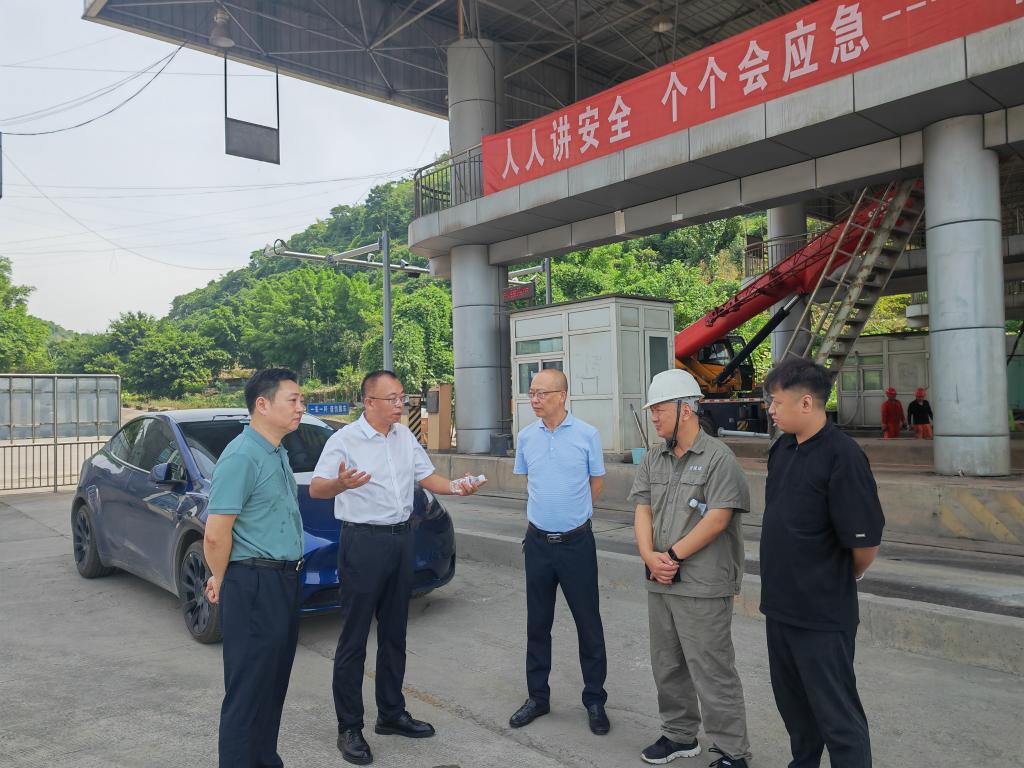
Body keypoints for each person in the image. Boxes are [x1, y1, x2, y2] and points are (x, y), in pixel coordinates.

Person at [310, 370, 484, 766]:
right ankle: (349, 727)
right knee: (354, 637)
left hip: (402, 539)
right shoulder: (344, 440)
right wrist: (341, 485)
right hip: (363, 542)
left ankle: (391, 713)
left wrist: (457, 486)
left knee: (395, 632)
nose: (399, 404)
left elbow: (428, 477)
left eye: (401, 397)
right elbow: (319, 487)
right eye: (391, 398)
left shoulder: (405, 437)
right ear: (369, 401)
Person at [761, 358, 885, 768]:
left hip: (822, 615)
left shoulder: (842, 456)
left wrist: (842, 576)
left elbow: (865, 544)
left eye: (776, 402)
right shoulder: (782, 449)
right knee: (795, 711)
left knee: (838, 717)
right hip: (781, 609)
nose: (771, 410)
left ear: (806, 403)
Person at [629, 369, 752, 768]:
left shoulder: (718, 458)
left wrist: (672, 556)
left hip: (702, 584)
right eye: (652, 411)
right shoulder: (654, 457)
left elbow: (718, 518)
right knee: (667, 664)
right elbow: (642, 509)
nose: (654, 417)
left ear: (685, 409)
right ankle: (679, 734)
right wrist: (649, 556)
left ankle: (733, 751)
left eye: (660, 409)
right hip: (660, 579)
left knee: (711, 668)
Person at [204, 368, 307, 768]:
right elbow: (216, 534)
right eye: (293, 400)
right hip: (255, 583)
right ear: (262, 405)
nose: (301, 407)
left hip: (283, 580)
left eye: (301, 400)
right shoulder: (242, 456)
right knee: (248, 693)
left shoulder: (276, 451)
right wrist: (222, 578)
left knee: (271, 685)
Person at [508, 368, 610, 736]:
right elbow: (530, 481)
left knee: (588, 623)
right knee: (537, 624)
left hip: (576, 545)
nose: (534, 399)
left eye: (542, 393)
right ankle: (538, 697)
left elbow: (596, 481)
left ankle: (595, 700)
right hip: (537, 544)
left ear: (562, 396)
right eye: (531, 393)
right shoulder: (526, 437)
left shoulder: (587, 435)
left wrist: (575, 515)